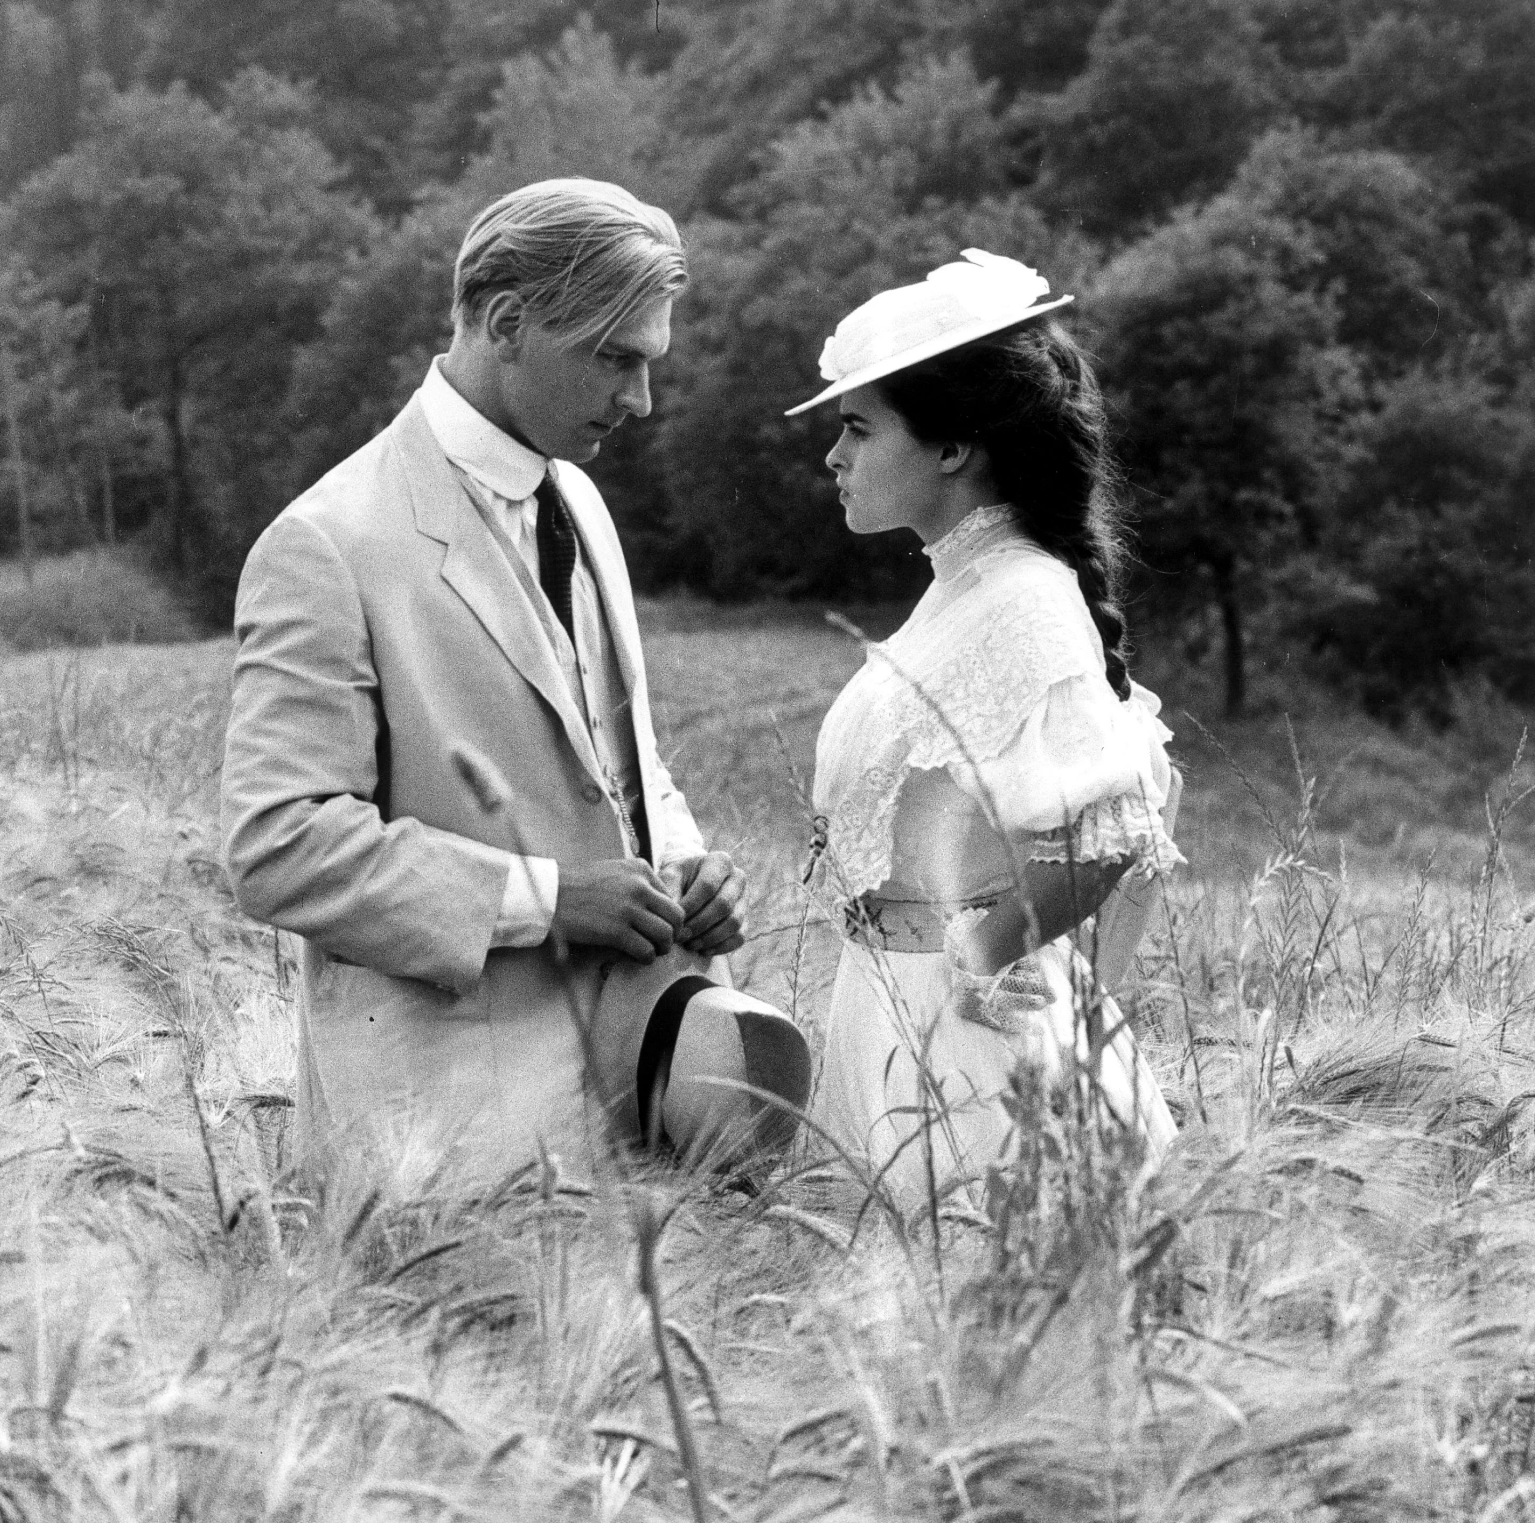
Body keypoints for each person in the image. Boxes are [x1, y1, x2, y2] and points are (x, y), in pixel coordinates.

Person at [222, 178, 803, 1182]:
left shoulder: (579, 496)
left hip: (645, 1078)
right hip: (449, 1142)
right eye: (615, 360)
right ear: (505, 323)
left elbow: (620, 755)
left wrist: (688, 864)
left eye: (650, 363)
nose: (641, 400)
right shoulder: (325, 542)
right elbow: (278, 843)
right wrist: (546, 899)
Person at [787, 250, 1182, 1205]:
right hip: (882, 1004)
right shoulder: (961, 591)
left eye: (857, 427)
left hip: (963, 1034)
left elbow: (1115, 826)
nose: (834, 456)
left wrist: (982, 953)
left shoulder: (1023, 599)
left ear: (953, 445)